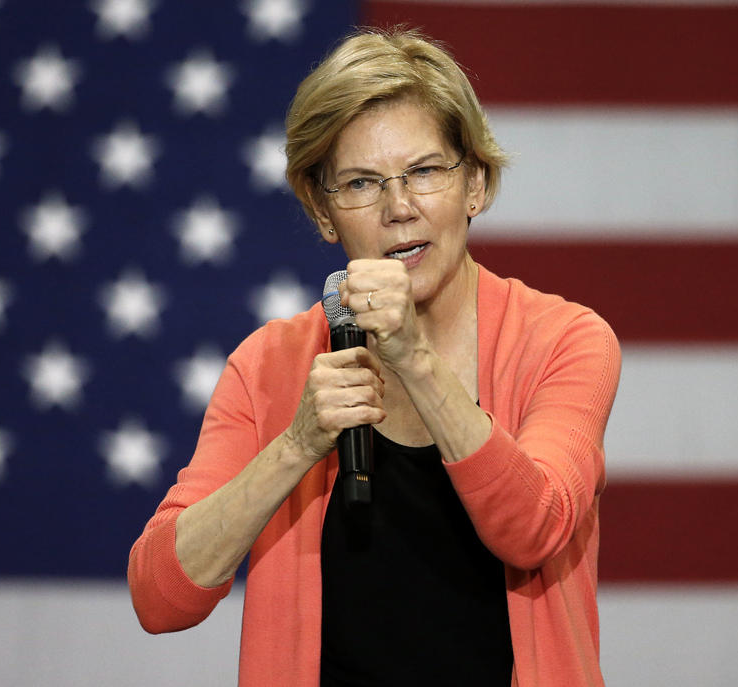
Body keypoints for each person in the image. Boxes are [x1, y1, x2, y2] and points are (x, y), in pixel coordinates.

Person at [128, 27, 620, 687]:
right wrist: (296, 443)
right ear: (323, 210)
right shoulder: (269, 365)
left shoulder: (565, 340)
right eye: (361, 182)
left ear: (476, 183)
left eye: (424, 171)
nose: (399, 207)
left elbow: (534, 527)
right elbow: (159, 596)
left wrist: (415, 359)